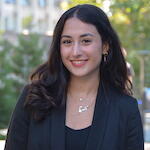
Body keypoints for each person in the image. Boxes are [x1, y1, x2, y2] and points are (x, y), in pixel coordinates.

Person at [5, 4, 144, 150]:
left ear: (105, 46)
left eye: (86, 41)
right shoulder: (34, 97)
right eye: (67, 42)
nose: (75, 51)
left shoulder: (126, 109)